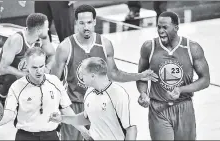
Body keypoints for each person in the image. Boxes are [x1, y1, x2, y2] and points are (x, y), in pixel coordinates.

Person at [51, 4, 158, 140]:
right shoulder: (65, 47)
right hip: (75, 105)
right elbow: (54, 83)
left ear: (95, 21)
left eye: (89, 22)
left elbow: (114, 74)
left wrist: (140, 76)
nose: (86, 27)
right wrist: (59, 112)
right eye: (82, 23)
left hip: (101, 105)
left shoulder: (105, 44)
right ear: (76, 23)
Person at [0, 47, 90, 140]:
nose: (39, 71)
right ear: (26, 65)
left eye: (41, 66)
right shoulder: (17, 87)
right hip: (25, 136)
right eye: (34, 68)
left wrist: (82, 129)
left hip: (51, 136)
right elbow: (9, 113)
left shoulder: (54, 82)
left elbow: (66, 109)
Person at [136, 11, 210, 140]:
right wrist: (143, 93)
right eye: (158, 27)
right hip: (158, 108)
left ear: (176, 28)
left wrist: (181, 90)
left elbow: (205, 80)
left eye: (165, 27)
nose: (160, 31)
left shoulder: (192, 48)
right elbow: (141, 76)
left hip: (184, 107)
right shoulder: (149, 47)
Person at [49, 57, 138, 140]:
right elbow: (86, 118)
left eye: (82, 74)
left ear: (92, 76)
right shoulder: (89, 92)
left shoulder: (118, 94)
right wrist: (61, 118)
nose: (80, 77)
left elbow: (131, 128)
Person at [0, 13, 56, 107]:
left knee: (56, 71)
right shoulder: (16, 40)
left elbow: (52, 55)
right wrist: (27, 76)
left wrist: (47, 68)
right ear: (38, 30)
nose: (48, 29)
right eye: (46, 27)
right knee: (9, 79)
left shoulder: (43, 38)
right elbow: (3, 68)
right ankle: (1, 100)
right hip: (4, 75)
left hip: (28, 74)